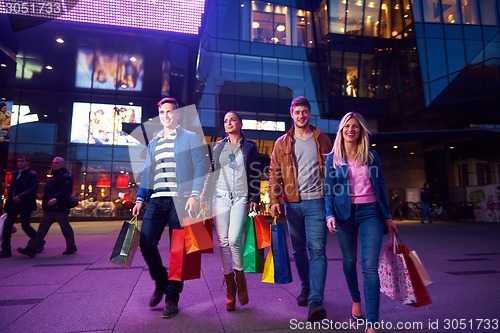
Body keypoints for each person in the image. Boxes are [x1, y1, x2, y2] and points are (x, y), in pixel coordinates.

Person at [131, 97, 209, 319]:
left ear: (178, 114)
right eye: (162, 112)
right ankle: (162, 281)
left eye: (170, 112)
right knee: (146, 243)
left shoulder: (191, 138)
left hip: (180, 200)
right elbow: (148, 173)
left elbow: (201, 168)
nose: (166, 115)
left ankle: (172, 298)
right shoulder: (154, 142)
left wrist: (195, 195)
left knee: (178, 251)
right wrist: (140, 198)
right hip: (156, 199)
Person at [324, 112, 397, 333]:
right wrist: (329, 214)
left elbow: (381, 187)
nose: (351, 130)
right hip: (344, 214)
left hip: (371, 213)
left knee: (369, 267)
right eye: (347, 126)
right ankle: (356, 301)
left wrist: (388, 217)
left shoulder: (372, 156)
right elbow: (328, 190)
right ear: (341, 130)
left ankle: (373, 323)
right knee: (348, 261)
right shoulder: (333, 158)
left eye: (355, 126)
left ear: (361, 130)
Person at [268, 96, 333, 322]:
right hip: (292, 203)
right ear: (291, 114)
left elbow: (333, 171)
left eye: (305, 112)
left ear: (309, 113)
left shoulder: (322, 139)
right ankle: (306, 287)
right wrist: (274, 200)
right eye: (297, 112)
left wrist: (333, 203)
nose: (301, 116)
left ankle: (316, 299)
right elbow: (274, 172)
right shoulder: (282, 142)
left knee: (317, 250)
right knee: (298, 250)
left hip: (317, 202)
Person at [201, 111, 260, 311]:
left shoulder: (250, 146)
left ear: (241, 123)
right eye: (225, 121)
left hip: (241, 197)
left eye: (232, 120)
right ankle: (230, 285)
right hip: (220, 197)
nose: (228, 123)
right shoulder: (218, 147)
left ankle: (240, 279)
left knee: (235, 240)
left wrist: (255, 197)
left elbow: (255, 172)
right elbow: (211, 173)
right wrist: (204, 197)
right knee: (223, 242)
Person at [17, 157, 77, 258]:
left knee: (65, 228)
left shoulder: (65, 177)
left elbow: (65, 191)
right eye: (53, 163)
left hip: (60, 208)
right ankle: (31, 248)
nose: (54, 164)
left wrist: (55, 199)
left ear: (63, 164)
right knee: (42, 230)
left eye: (57, 163)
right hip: (50, 209)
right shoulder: (53, 177)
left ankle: (71, 246)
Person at [0, 155, 39, 258]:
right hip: (13, 203)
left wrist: (21, 196)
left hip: (25, 204)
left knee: (25, 225)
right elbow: (11, 190)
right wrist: (7, 205)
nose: (20, 163)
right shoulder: (15, 174)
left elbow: (33, 188)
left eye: (22, 161)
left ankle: (38, 241)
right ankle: (6, 250)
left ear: (27, 163)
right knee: (7, 226)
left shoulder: (32, 174)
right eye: (18, 161)